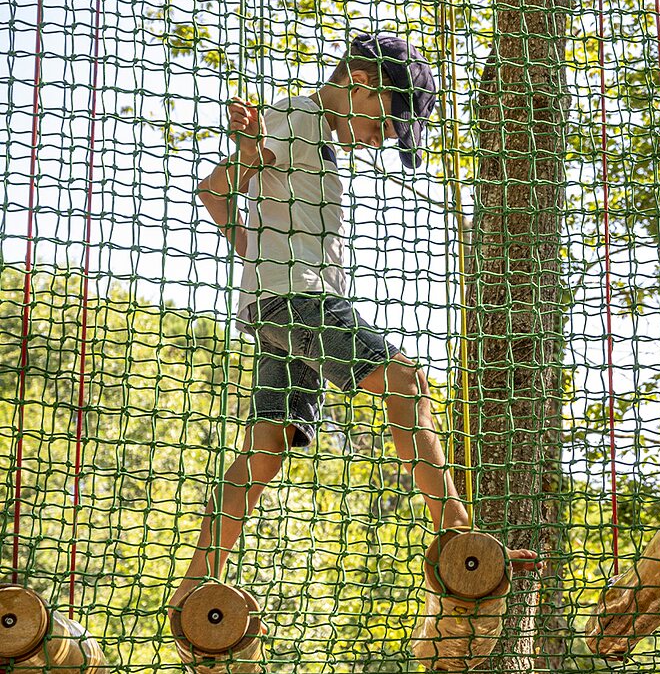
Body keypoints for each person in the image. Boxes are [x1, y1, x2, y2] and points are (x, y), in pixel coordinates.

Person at [172, 32, 536, 619]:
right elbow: (217, 189)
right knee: (404, 382)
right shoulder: (292, 119)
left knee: (265, 451)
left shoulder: (310, 135)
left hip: (273, 308)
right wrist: (247, 162)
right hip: (298, 301)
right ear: (363, 84)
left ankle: (190, 591)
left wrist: (254, 250)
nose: (385, 140)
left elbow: (216, 195)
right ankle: (461, 537)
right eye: (390, 124)